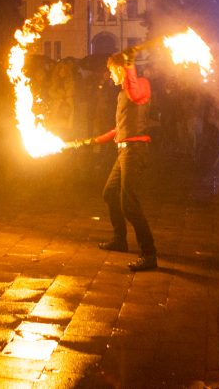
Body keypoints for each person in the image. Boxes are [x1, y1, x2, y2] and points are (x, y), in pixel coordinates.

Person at [75, 50, 157, 272]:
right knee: (110, 193)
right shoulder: (122, 93)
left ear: (121, 69)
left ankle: (149, 254)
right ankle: (120, 240)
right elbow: (119, 128)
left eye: (112, 71)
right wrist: (93, 141)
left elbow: (136, 96)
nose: (110, 76)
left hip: (135, 150)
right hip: (123, 151)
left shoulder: (141, 84)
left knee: (129, 204)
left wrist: (130, 64)